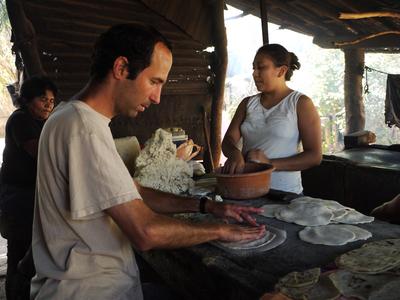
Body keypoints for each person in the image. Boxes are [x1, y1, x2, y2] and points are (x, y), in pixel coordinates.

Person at [31, 23, 266, 299]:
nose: (157, 98)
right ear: (121, 68)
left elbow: (135, 192)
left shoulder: (69, 117)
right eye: (154, 81)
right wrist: (219, 231)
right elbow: (145, 231)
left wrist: (208, 207)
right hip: (91, 290)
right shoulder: (83, 128)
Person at [222, 44, 322, 194]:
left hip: (285, 194)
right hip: (247, 191)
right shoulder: (247, 104)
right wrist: (234, 154)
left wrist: (269, 163)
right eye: (253, 68)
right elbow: (228, 139)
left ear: (281, 71)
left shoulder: (300, 103)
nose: (255, 74)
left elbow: (314, 156)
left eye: (261, 68)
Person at [0, 76, 56, 300]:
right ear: (27, 100)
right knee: (19, 248)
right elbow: (40, 151)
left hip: (31, 194)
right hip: (17, 195)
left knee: (30, 250)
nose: (48, 105)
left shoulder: (42, 122)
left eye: (52, 101)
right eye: (43, 99)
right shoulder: (21, 120)